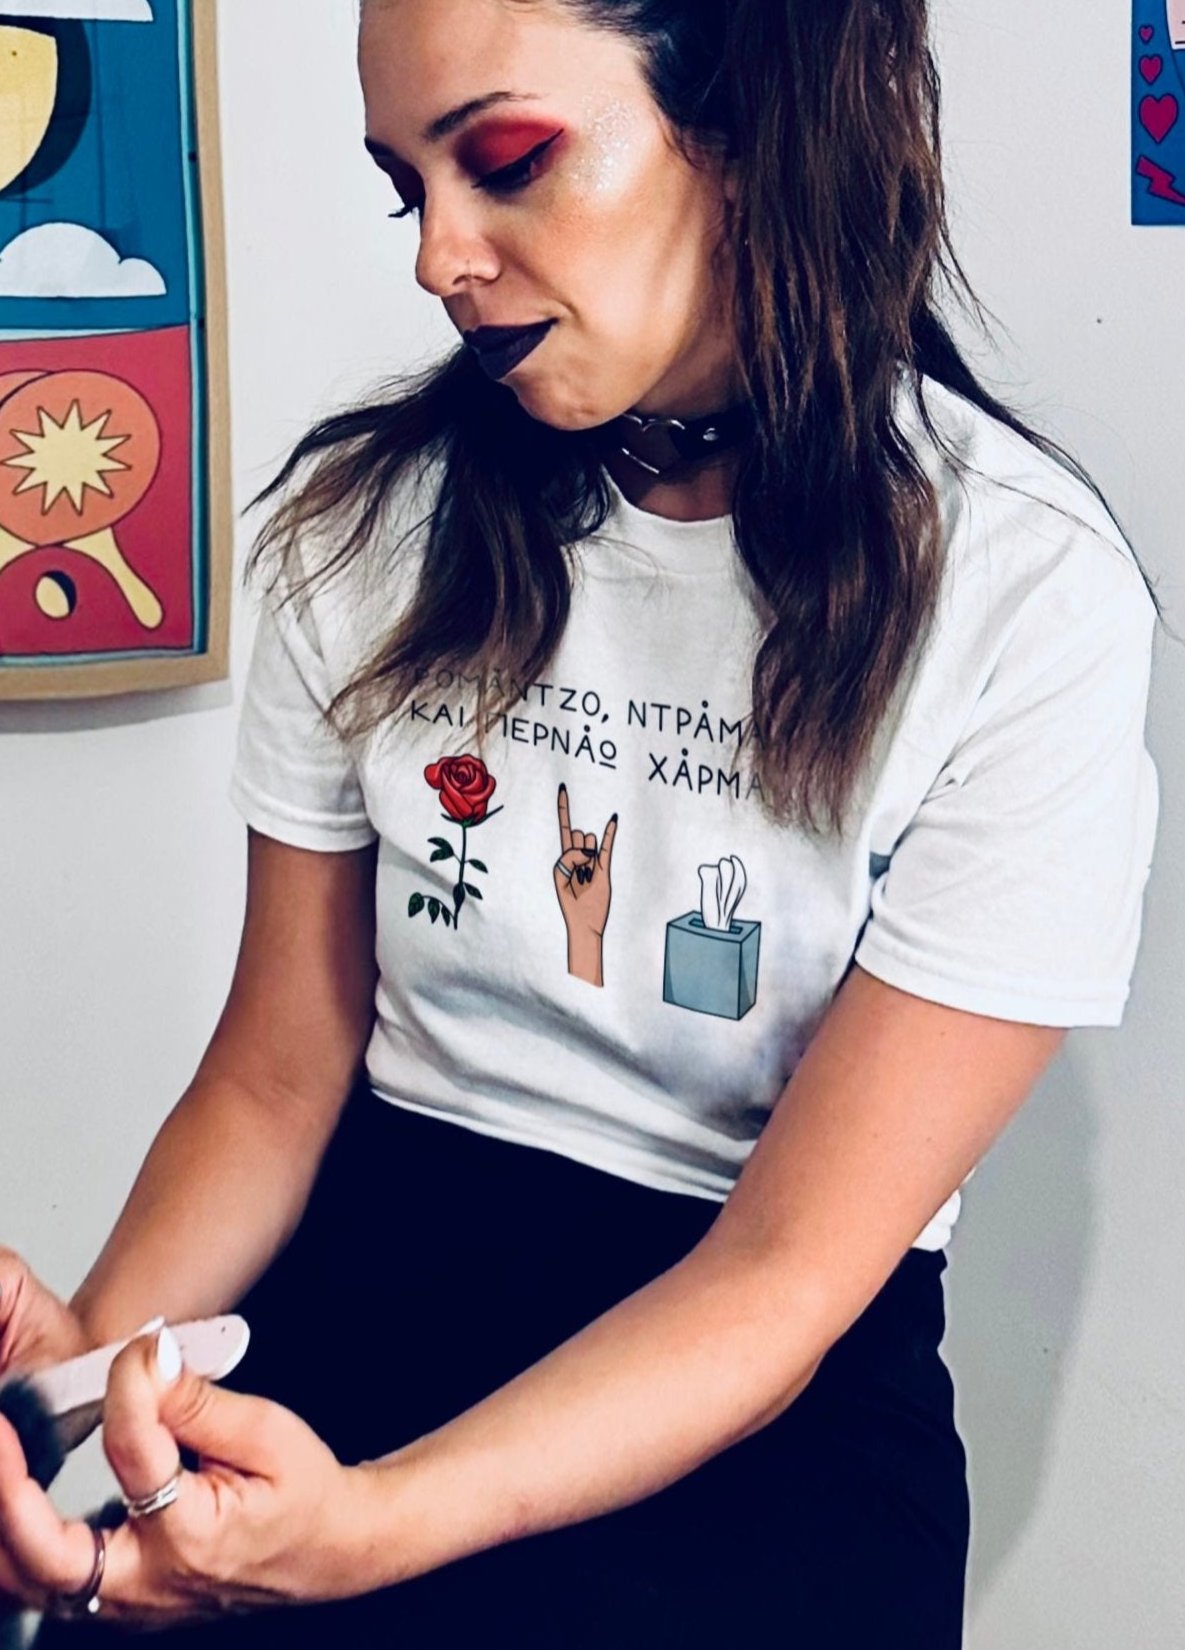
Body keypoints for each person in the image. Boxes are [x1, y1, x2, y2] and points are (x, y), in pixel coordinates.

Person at [0, 0, 1162, 1644]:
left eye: (508, 161)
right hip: (371, 1284)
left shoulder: (1023, 594)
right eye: (408, 187)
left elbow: (781, 1273)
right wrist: (77, 1388)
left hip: (766, 1385)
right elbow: (273, 1072)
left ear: (751, 123)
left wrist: (372, 1530)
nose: (438, 257)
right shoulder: (363, 529)